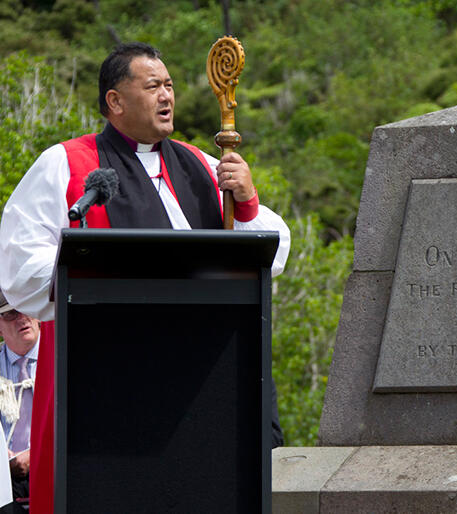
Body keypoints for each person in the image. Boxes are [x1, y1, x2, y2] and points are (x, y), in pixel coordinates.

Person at [0, 42, 290, 513]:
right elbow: (18, 270)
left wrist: (249, 199)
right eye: (152, 86)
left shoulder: (198, 164)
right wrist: (96, 272)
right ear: (115, 101)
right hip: (107, 372)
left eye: (170, 85)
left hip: (207, 376)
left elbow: (271, 253)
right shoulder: (68, 165)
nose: (167, 96)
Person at [0, 293, 38, 504]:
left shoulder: (63, 358)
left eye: (26, 308)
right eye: (10, 313)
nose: (22, 317)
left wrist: (35, 454)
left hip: (55, 466)